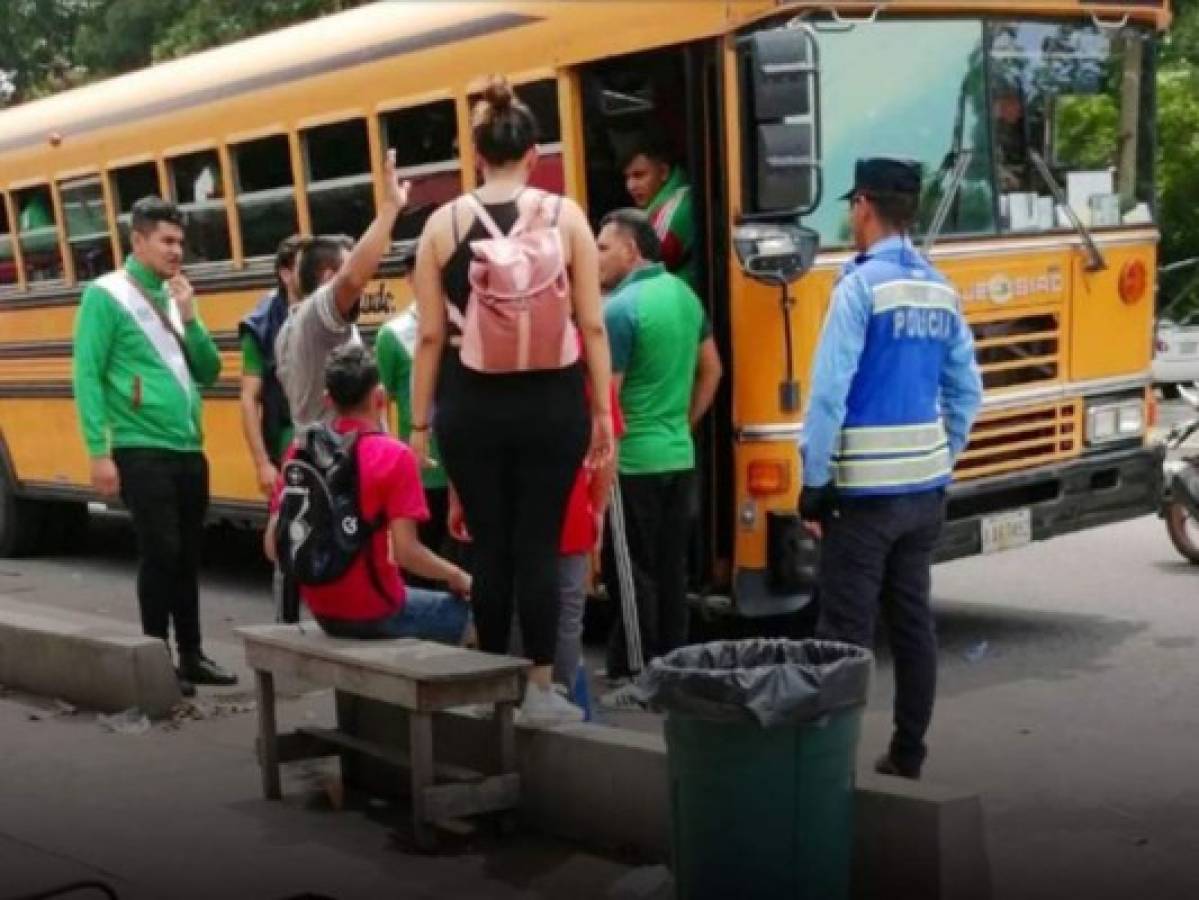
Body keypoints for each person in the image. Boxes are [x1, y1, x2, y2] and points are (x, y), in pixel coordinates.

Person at [409, 75, 614, 726]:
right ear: (532, 155)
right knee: (539, 543)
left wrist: (419, 426)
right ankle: (542, 689)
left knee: (490, 546)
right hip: (553, 402)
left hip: (471, 405)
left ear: (475, 155)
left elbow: (431, 335)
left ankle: (490, 684)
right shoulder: (568, 217)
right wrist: (602, 413)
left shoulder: (441, 225)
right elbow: (593, 325)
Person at [799, 158, 983, 780]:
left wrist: (814, 482)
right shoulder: (941, 287)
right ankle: (907, 755)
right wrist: (940, 455)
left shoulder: (859, 287)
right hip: (924, 493)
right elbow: (967, 394)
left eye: (852, 206)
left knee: (843, 632)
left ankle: (829, 770)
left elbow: (828, 395)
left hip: (864, 497)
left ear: (865, 206)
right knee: (912, 624)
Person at [72, 196, 236, 696]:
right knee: (160, 550)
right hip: (139, 445)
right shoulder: (106, 296)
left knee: (187, 555)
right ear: (138, 240)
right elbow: (87, 374)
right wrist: (99, 451)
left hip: (187, 446)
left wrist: (190, 318)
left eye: (180, 242)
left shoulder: (175, 296)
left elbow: (208, 371)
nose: (176, 251)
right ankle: (153, 655)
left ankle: (191, 654)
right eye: (166, 241)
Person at [597, 208, 722, 708]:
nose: (596, 257)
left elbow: (608, 399)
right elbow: (712, 371)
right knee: (671, 570)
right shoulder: (685, 296)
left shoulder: (619, 308)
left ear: (632, 250)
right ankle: (674, 667)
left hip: (633, 463)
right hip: (677, 455)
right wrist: (682, 423)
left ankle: (637, 673)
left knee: (629, 571)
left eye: (603, 247)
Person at [265, 345, 472, 641]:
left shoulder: (301, 451)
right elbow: (406, 552)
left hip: (323, 613)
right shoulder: (395, 456)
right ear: (379, 397)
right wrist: (458, 576)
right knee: (474, 613)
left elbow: (272, 546)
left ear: (328, 400)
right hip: (378, 611)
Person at [275, 149, 410, 432]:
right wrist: (390, 209)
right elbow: (351, 280)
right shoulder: (315, 318)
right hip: (339, 462)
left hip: (323, 458)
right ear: (328, 278)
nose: (366, 272)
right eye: (352, 261)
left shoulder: (290, 327)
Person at [240, 235, 305, 622]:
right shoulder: (261, 323)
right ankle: (287, 625)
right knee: (286, 542)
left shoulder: (324, 309)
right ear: (285, 273)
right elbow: (249, 397)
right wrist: (263, 462)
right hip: (286, 441)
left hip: (323, 440)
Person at [375, 304, 450, 572]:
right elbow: (378, 407)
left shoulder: (466, 323)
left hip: (463, 470)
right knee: (420, 566)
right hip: (420, 475)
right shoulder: (394, 334)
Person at [621, 132, 697, 290]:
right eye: (627, 178)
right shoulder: (665, 202)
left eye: (639, 175)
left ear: (663, 172)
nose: (630, 186)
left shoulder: (679, 204)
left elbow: (648, 261)